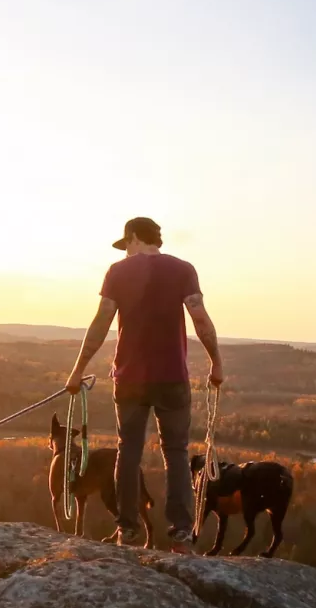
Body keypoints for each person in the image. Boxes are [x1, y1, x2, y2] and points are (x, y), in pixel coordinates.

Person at [65, 216, 223, 553]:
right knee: (177, 455)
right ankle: (181, 535)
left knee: (128, 452)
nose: (125, 253)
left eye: (126, 246)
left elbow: (100, 323)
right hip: (172, 379)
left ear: (134, 237)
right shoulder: (183, 270)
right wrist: (216, 363)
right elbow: (201, 320)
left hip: (131, 379)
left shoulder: (117, 272)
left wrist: (77, 370)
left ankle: (128, 531)